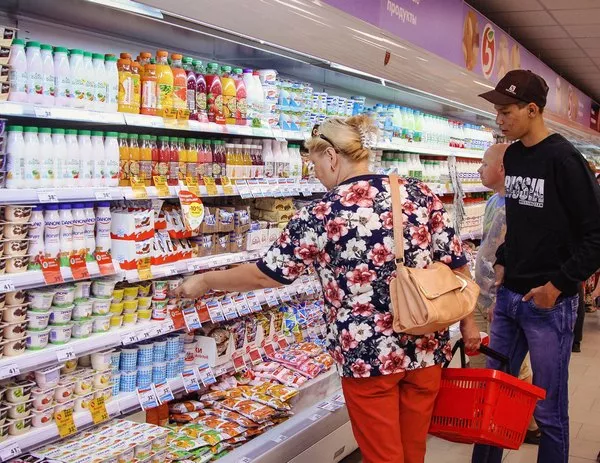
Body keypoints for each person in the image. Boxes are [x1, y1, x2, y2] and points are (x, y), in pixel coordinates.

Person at [174, 114, 482, 463]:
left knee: (383, 457)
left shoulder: (322, 212)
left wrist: (206, 280)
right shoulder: (418, 193)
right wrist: (468, 323)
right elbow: (457, 265)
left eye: (315, 163)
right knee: (413, 452)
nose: (315, 172)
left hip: (367, 355)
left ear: (332, 156)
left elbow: (266, 275)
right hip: (426, 343)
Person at [473, 69, 600, 463]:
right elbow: (520, 223)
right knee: (492, 400)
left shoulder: (565, 160)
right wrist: (502, 267)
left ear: (532, 109)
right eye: (497, 111)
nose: (499, 119)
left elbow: (596, 235)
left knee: (548, 410)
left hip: (549, 305)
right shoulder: (512, 156)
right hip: (509, 300)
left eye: (506, 111)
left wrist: (557, 285)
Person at [472, 142, 540, 444]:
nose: (479, 169)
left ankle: (529, 424)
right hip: (480, 293)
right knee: (482, 360)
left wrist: (500, 298)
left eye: (484, 164)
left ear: (501, 168)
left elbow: (516, 255)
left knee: (514, 363)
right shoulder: (492, 202)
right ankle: (485, 418)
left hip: (500, 298)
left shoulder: (518, 205)